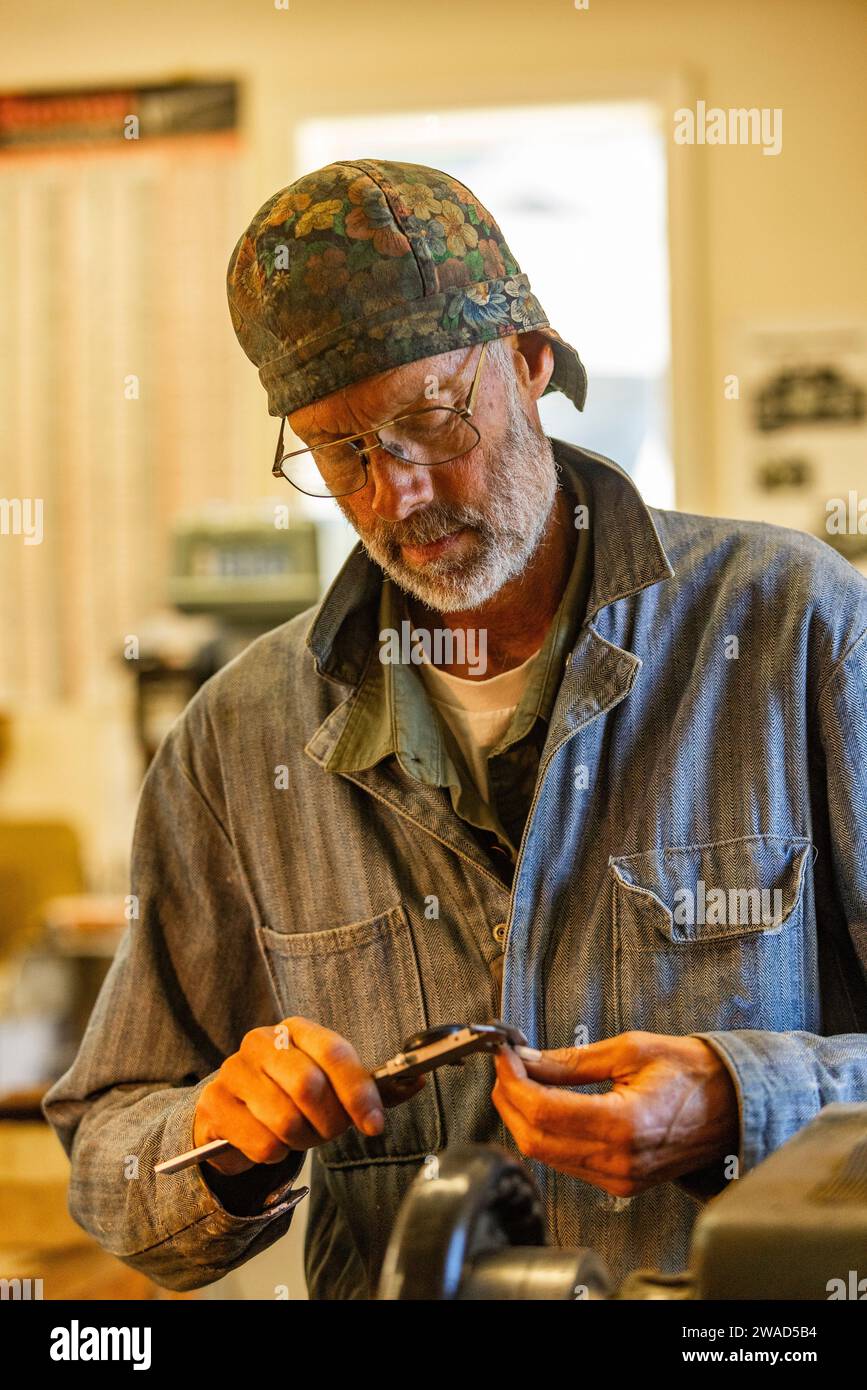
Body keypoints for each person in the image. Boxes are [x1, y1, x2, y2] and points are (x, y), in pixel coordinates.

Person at [43, 159, 867, 1298]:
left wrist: (746, 1099)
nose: (400, 492)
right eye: (341, 452)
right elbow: (108, 1152)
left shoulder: (798, 630)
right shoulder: (239, 741)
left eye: (430, 418)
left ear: (530, 361)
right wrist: (217, 1143)